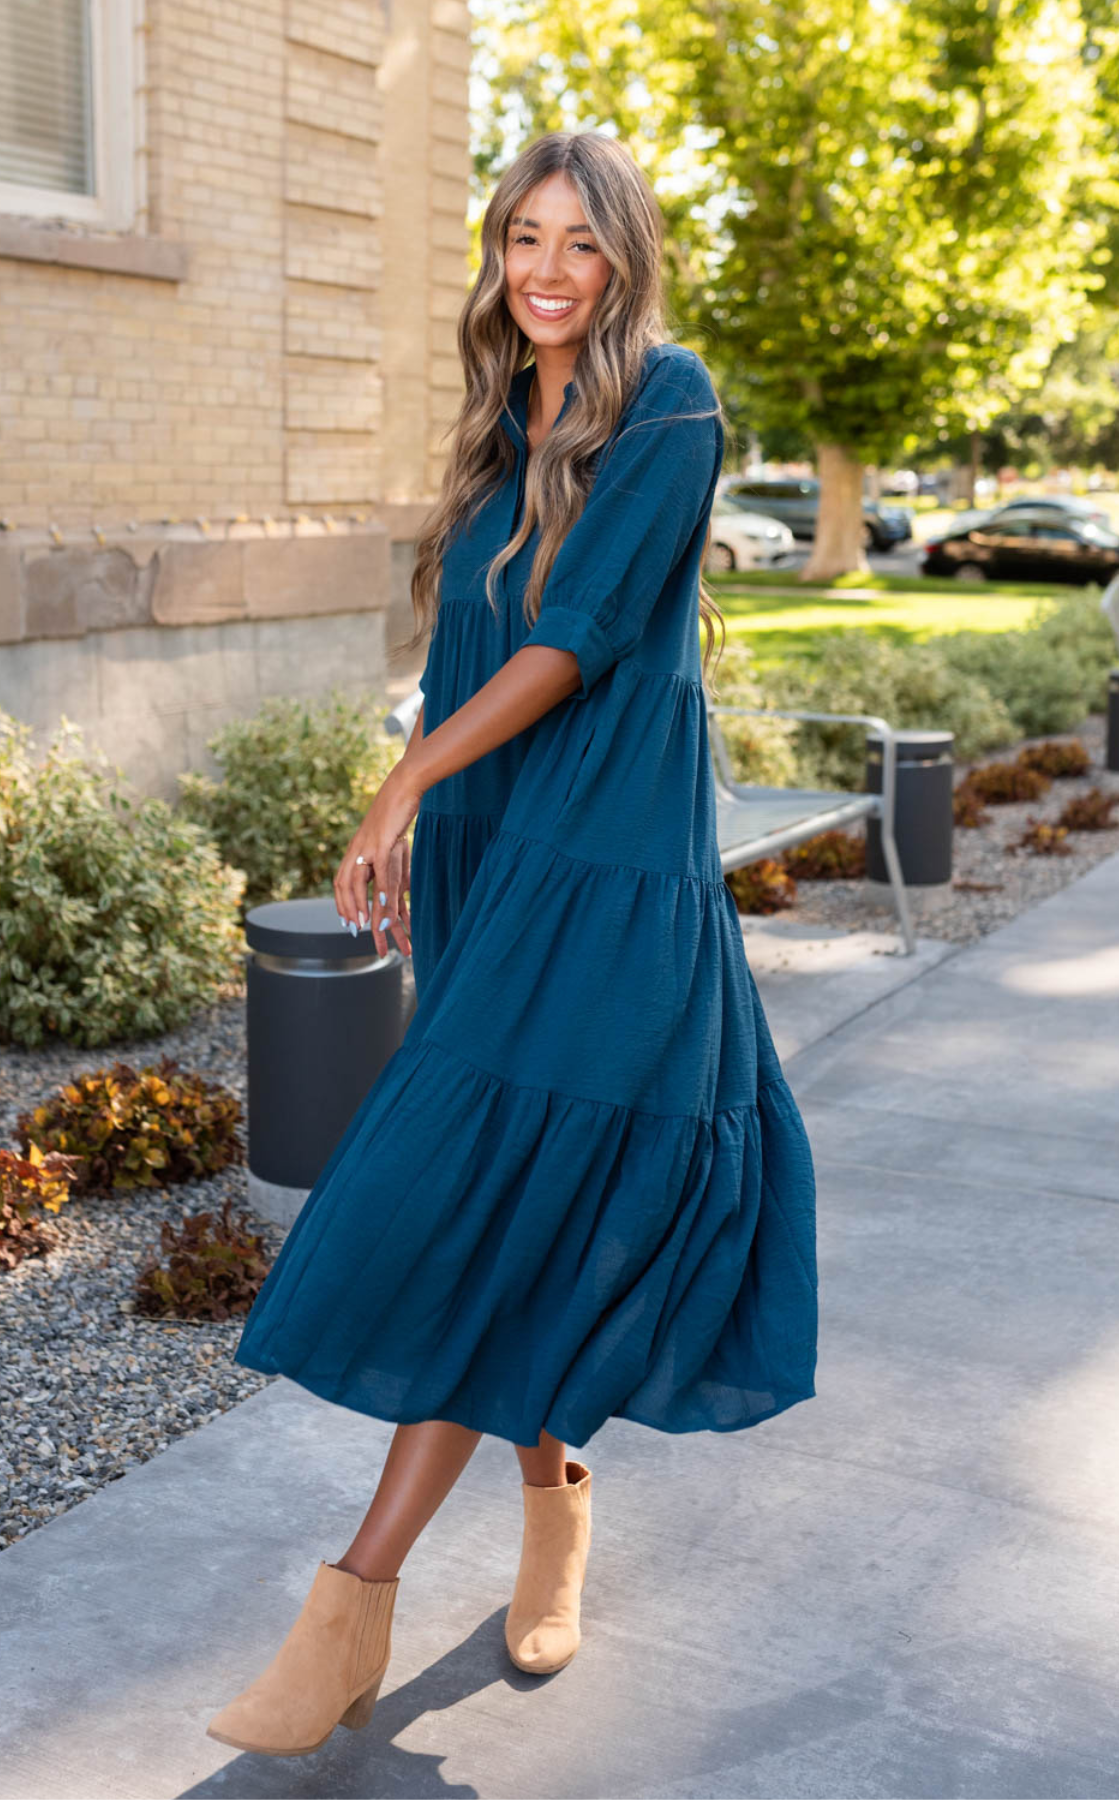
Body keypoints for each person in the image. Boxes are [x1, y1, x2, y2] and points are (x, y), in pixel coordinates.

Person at [206, 130, 818, 1761]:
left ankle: (349, 1607)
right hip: (497, 863)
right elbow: (472, 640)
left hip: (613, 875)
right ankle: (552, 1507)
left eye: (578, 245)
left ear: (625, 261)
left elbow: (575, 642)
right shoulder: (501, 424)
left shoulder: (666, 402)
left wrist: (401, 780)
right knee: (525, 1205)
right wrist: (428, 799)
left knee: (484, 1199)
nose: (544, 272)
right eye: (519, 239)